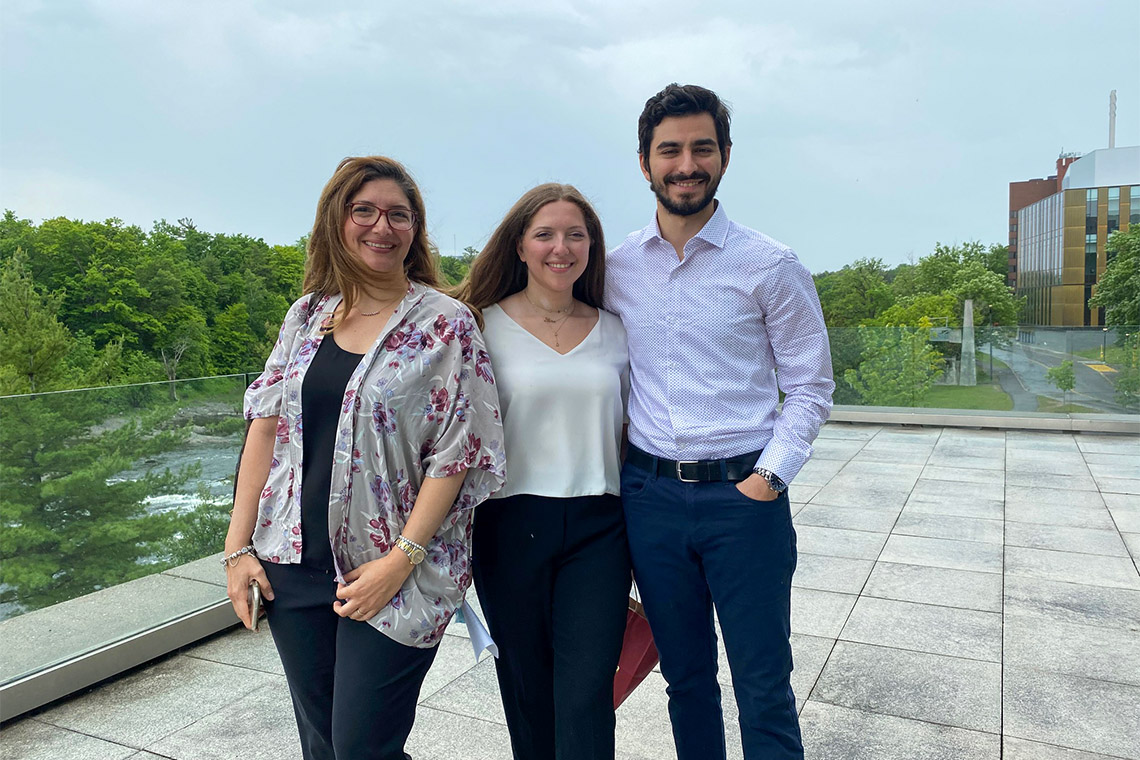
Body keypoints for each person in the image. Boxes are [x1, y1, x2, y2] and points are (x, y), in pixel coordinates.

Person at [223, 156, 506, 760]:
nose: (383, 226)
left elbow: (459, 455)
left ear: (415, 230)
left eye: (399, 215)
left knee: (360, 746)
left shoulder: (446, 326)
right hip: (293, 565)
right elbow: (266, 429)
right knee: (323, 742)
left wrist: (400, 560)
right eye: (365, 211)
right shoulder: (307, 316)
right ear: (337, 220)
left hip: (394, 569)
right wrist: (238, 549)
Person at [605, 84, 834, 760]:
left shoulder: (770, 265)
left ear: (725, 157)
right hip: (651, 501)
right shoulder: (615, 268)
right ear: (644, 162)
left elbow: (812, 387)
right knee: (686, 682)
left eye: (701, 148)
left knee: (763, 684)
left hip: (744, 501)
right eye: (669, 150)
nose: (686, 164)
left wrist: (770, 477)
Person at [454, 183, 631, 760]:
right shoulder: (477, 326)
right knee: (527, 691)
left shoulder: (619, 329)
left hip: (600, 528)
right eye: (545, 234)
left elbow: (636, 431)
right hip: (508, 523)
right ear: (521, 246)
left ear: (591, 246)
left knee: (586, 694)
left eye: (576, 234)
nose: (562, 247)